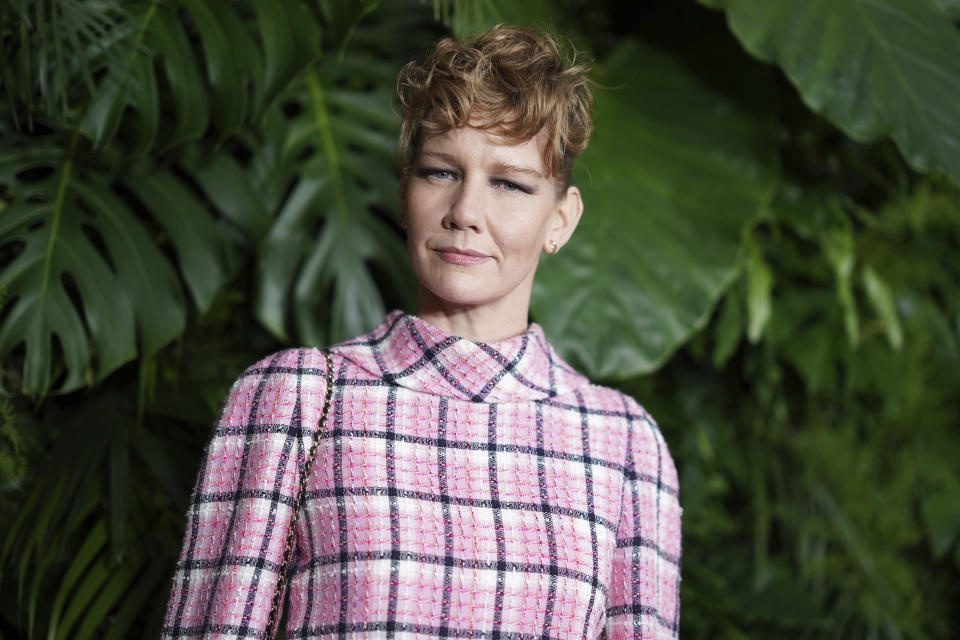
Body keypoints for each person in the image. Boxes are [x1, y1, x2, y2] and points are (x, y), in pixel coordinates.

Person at [163, 24, 681, 640]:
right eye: (440, 172)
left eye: (510, 184)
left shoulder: (624, 445)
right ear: (405, 191)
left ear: (560, 220)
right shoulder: (297, 397)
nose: (465, 212)